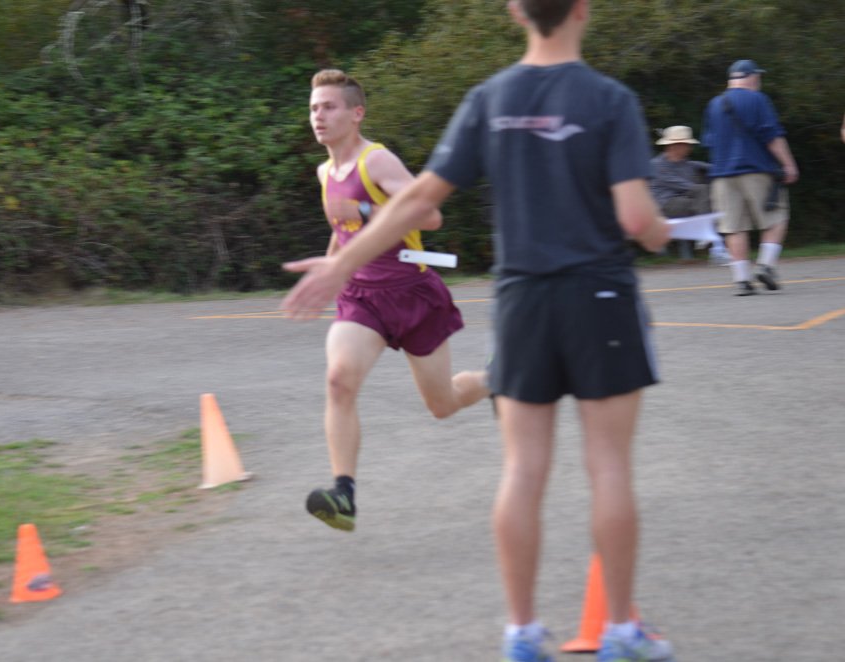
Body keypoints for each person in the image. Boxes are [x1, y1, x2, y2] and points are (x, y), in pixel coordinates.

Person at [282, 3, 675, 661]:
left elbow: (419, 202)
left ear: (516, 11)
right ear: (582, 9)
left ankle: (521, 635)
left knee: (521, 469)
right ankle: (621, 634)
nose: (319, 115)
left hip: (520, 298)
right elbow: (638, 220)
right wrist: (665, 232)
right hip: (598, 294)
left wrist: (341, 262)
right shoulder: (611, 99)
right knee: (608, 465)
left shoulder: (490, 99)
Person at [293, 68, 489, 533]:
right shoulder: (325, 172)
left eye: (329, 107)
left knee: (442, 405)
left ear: (356, 113)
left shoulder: (377, 162)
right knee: (339, 380)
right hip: (361, 299)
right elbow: (343, 232)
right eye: (314, 108)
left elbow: (430, 215)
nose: (319, 116)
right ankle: (343, 494)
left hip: (412, 294)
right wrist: (330, 271)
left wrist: (363, 207)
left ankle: (501, 377)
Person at [701, 59, 799, 296]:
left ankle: (742, 281)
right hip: (756, 170)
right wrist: (788, 164)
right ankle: (765, 266)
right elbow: (771, 136)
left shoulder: (714, 104)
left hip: (722, 176)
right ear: (752, 77)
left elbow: (709, 142)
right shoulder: (758, 99)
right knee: (776, 218)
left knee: (734, 227)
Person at [649, 125, 712, 259]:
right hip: (664, 206)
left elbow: (713, 168)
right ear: (674, 146)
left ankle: (706, 235)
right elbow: (686, 187)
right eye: (687, 145)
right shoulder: (657, 165)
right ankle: (704, 232)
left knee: (710, 199)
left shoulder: (687, 164)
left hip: (683, 203)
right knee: (703, 193)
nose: (690, 148)